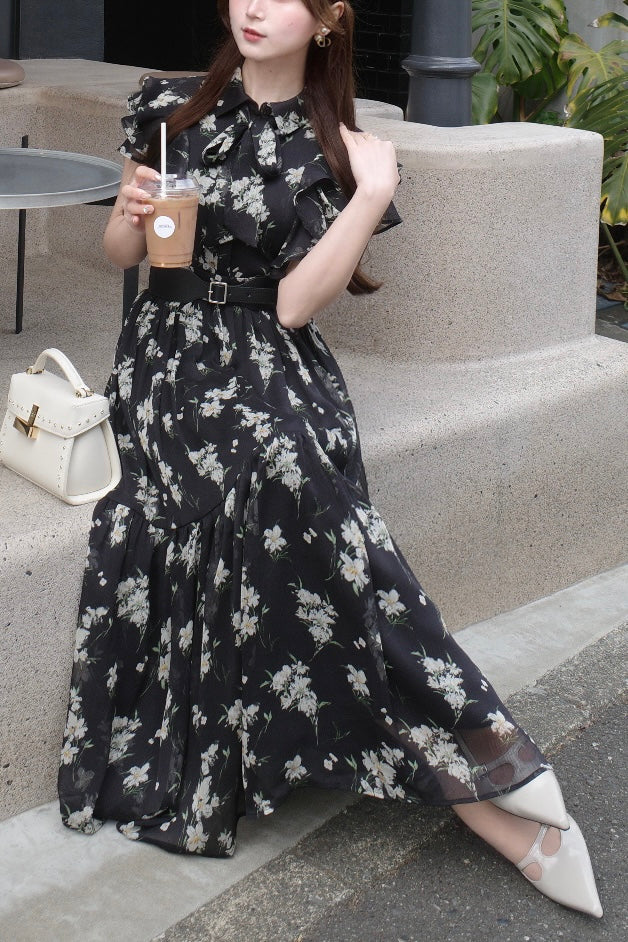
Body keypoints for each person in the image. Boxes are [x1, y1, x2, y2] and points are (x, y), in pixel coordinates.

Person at [57, 0, 603, 919]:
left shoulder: (344, 150)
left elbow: (295, 306)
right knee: (280, 476)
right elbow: (124, 254)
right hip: (169, 357)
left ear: (327, 21)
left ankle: (485, 767)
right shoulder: (168, 108)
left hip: (274, 358)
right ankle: (491, 784)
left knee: (298, 479)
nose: (253, 7)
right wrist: (131, 210)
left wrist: (372, 195)